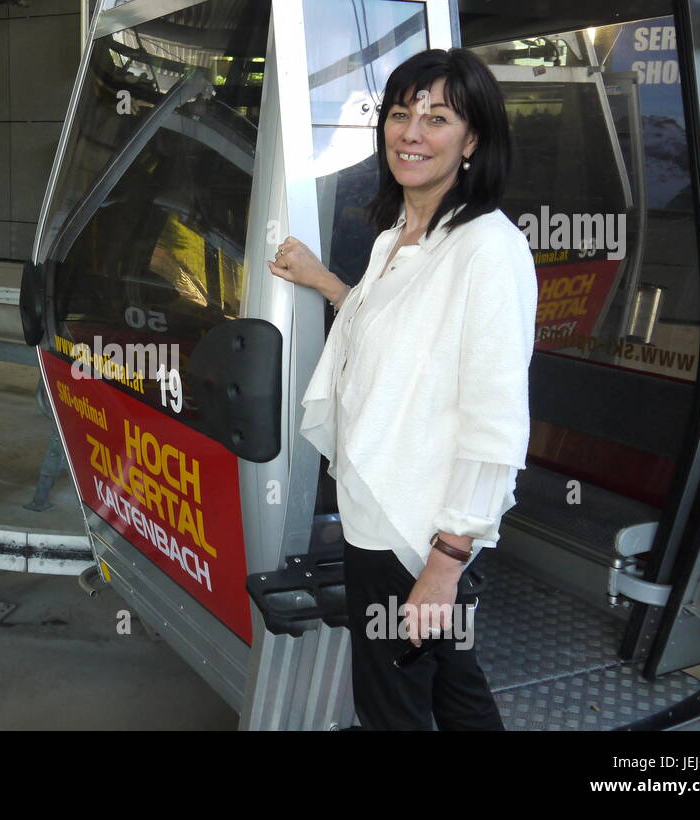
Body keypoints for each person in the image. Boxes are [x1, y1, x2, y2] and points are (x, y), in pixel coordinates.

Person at [267, 48, 537, 731]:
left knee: (392, 706)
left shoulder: (487, 249)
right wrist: (327, 282)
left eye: (437, 118)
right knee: (451, 685)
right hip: (377, 512)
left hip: (413, 530)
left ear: (473, 139)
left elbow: (495, 421)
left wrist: (446, 561)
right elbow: (391, 327)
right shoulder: (399, 237)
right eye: (399, 113)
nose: (411, 132)